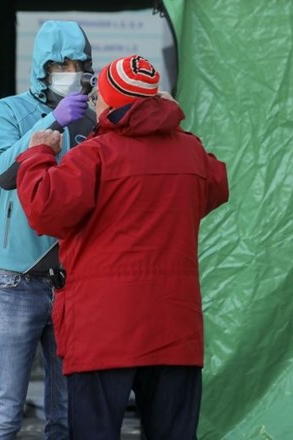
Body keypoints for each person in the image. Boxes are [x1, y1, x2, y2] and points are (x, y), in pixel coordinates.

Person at [14, 55, 229, 439]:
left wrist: (37, 155)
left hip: (103, 331)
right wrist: (168, 119)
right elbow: (214, 184)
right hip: (174, 329)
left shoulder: (93, 156)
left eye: (98, 97)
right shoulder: (191, 153)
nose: (93, 103)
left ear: (112, 104)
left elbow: (45, 211)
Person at [0, 20, 96, 440]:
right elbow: (3, 172)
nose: (69, 70)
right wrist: (53, 121)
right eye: (59, 64)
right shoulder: (8, 111)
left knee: (68, 415)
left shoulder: (93, 118)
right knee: (4, 412)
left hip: (74, 281)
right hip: (17, 279)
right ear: (41, 67)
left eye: (77, 63)